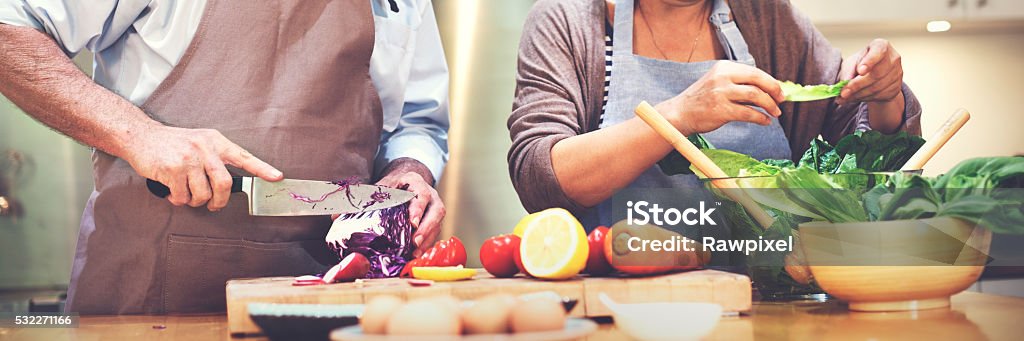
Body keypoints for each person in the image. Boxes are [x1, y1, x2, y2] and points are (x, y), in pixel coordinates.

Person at [0, 0, 449, 314]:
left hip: (333, 299)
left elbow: (418, 118)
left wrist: (409, 167)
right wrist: (140, 134)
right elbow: (9, 28)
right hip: (154, 298)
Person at [508, 0, 921, 227]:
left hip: (769, 295)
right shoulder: (570, 20)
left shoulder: (767, 17)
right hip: (620, 298)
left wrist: (883, 96)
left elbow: (863, 157)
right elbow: (540, 177)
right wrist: (679, 114)